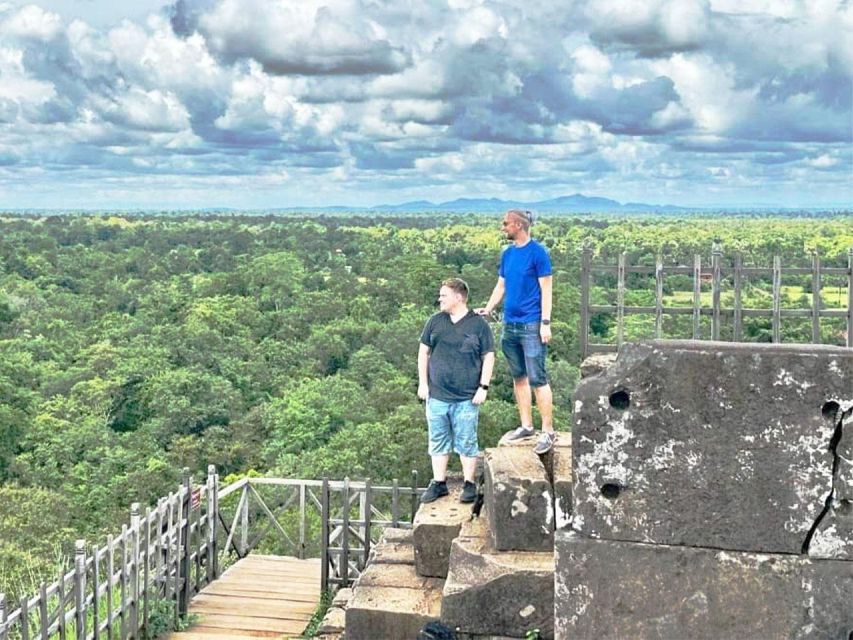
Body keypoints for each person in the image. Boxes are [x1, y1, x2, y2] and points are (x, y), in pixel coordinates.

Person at [476, 209, 556, 454]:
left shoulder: (538, 253)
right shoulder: (508, 254)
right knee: (518, 377)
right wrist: (489, 308)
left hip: (532, 324)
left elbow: (547, 289)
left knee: (538, 379)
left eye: (506, 224)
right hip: (510, 324)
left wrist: (545, 322)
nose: (503, 227)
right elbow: (501, 285)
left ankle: (547, 431)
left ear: (519, 225)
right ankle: (526, 425)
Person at [418, 278, 495, 504]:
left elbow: (488, 356)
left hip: (467, 396)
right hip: (437, 394)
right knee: (438, 439)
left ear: (459, 297)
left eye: (444, 295)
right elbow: (423, 352)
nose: (439, 299)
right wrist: (423, 383)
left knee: (466, 440)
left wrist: (484, 386)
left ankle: (469, 484)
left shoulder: (478, 325)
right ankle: (439, 482)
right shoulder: (435, 322)